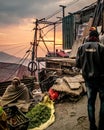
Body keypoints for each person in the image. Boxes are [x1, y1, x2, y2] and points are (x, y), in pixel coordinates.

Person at [75, 30, 104, 130]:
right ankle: (101, 125)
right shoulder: (101, 48)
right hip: (101, 81)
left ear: (89, 37)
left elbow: (78, 64)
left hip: (88, 81)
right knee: (103, 102)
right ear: (97, 37)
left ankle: (92, 126)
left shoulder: (81, 48)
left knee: (90, 102)